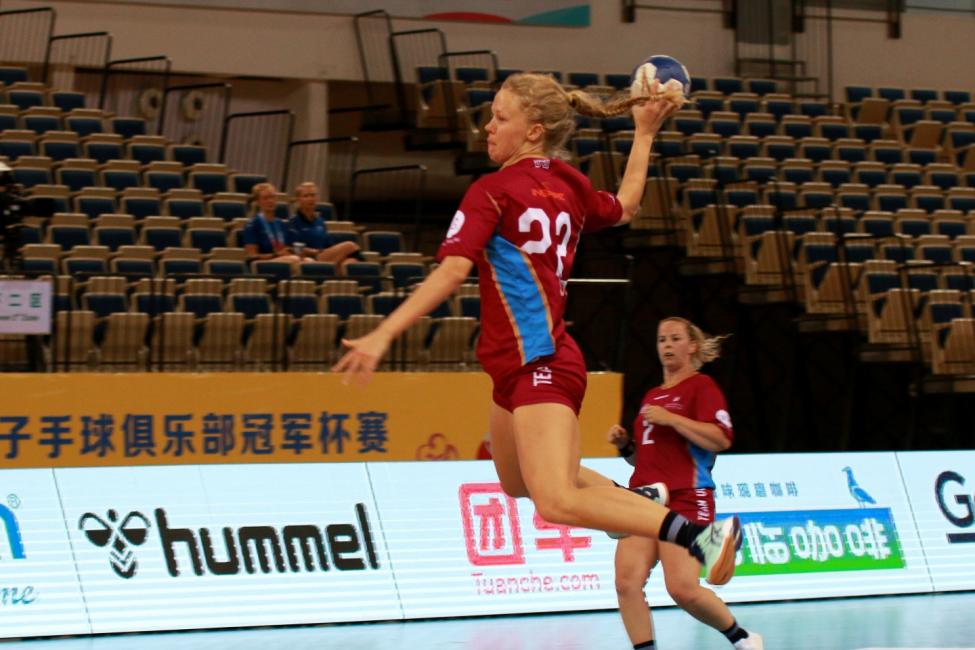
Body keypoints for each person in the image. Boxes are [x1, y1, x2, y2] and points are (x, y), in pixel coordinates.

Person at [333, 72, 742, 585]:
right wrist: (643, 134)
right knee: (517, 482)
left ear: (533, 131)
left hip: (541, 361)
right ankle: (636, 501)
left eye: (500, 118)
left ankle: (697, 535)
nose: (488, 127)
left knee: (556, 500)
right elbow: (626, 207)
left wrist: (383, 333)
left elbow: (453, 270)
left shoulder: (494, 191)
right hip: (514, 367)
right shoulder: (568, 182)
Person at [608, 317, 762, 650]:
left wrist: (673, 419)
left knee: (682, 588)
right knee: (626, 583)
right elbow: (645, 460)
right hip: (643, 498)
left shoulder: (701, 386)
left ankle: (743, 638)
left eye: (675, 338)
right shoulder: (651, 396)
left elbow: (721, 439)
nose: (666, 345)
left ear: (692, 345)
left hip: (686, 496)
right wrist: (626, 447)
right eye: (661, 339)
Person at [287, 181, 361, 267]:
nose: (311, 199)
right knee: (350, 245)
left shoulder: (320, 221)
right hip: (310, 259)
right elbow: (294, 248)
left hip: (325, 256)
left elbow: (328, 245)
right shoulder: (293, 222)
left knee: (350, 262)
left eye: (313, 195)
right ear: (298, 200)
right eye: (306, 196)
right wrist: (314, 252)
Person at [240, 182, 304, 270]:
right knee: (295, 259)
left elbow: (296, 248)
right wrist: (275, 255)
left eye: (272, 197)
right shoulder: (252, 225)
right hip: (264, 264)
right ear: (258, 202)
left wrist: (291, 250)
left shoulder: (283, 224)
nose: (270, 201)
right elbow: (252, 256)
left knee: (309, 261)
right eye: (266, 198)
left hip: (286, 259)